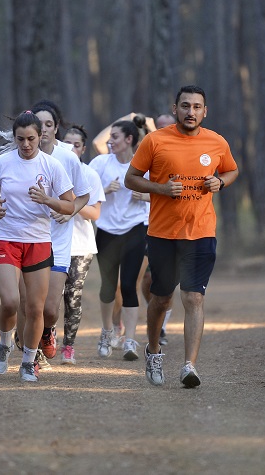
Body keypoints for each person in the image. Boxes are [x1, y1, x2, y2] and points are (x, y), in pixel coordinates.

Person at [125, 85, 239, 388]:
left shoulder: (216, 142)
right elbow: (131, 179)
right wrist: (161, 188)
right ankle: (153, 351)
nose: (191, 112)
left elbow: (231, 171)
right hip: (164, 234)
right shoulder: (155, 140)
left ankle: (189, 366)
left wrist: (220, 182)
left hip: (201, 232)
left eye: (197, 107)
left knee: (193, 297)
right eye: (185, 106)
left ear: (205, 111)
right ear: (175, 109)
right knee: (161, 299)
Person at [0, 111, 75, 382]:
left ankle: (28, 361)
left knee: (36, 308)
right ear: (14, 138)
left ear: (41, 137)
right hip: (7, 238)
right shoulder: (2, 162)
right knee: (11, 301)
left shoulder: (52, 166)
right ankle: (4, 344)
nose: (26, 145)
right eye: (20, 139)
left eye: (31, 139)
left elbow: (70, 204)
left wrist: (47, 200)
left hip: (38, 242)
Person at [27, 100, 90, 368]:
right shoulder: (20, 154)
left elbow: (83, 194)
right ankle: (32, 352)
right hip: (28, 237)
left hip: (59, 240)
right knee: (31, 304)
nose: (43, 130)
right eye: (38, 125)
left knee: (51, 308)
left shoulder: (67, 157)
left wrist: (70, 211)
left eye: (49, 125)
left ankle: (47, 330)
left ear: (56, 128)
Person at [89, 120, 150, 361]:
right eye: (109, 137)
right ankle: (106, 332)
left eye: (114, 137)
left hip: (136, 228)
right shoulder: (101, 163)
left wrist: (144, 195)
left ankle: (130, 340)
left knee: (128, 286)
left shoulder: (144, 166)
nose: (109, 141)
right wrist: (104, 189)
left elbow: (162, 195)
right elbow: (84, 191)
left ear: (129, 140)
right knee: (108, 287)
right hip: (106, 231)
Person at [59, 125, 104, 364]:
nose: (71, 148)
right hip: (52, 243)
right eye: (67, 143)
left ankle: (68, 346)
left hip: (81, 246)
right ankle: (47, 338)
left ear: (83, 149)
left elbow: (95, 214)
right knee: (50, 299)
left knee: (72, 297)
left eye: (76, 145)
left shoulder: (89, 175)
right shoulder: (51, 167)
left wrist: (71, 204)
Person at [140, 114, 176, 345]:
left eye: (166, 127)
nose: (161, 131)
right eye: (157, 127)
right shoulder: (146, 151)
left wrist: (147, 194)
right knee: (145, 281)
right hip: (141, 226)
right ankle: (154, 311)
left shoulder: (178, 156)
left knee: (161, 280)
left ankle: (161, 324)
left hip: (166, 226)